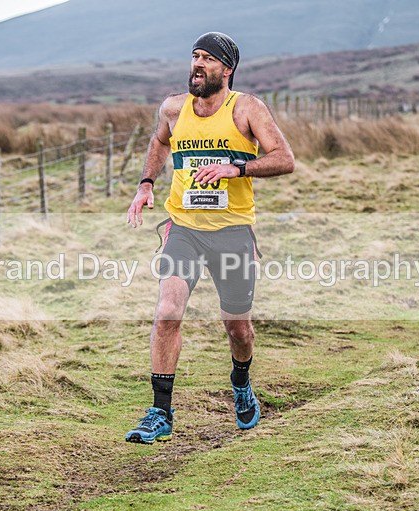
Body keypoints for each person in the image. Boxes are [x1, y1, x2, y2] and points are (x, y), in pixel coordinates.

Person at [125, 32, 295, 444]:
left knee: (237, 327)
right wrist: (147, 183)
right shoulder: (173, 108)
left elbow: (284, 159)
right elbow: (160, 141)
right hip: (182, 228)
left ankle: (240, 382)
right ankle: (160, 412)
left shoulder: (247, 109)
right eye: (194, 56)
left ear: (227, 69)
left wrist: (236, 168)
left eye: (208, 59)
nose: (197, 64)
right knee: (168, 310)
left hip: (232, 231)